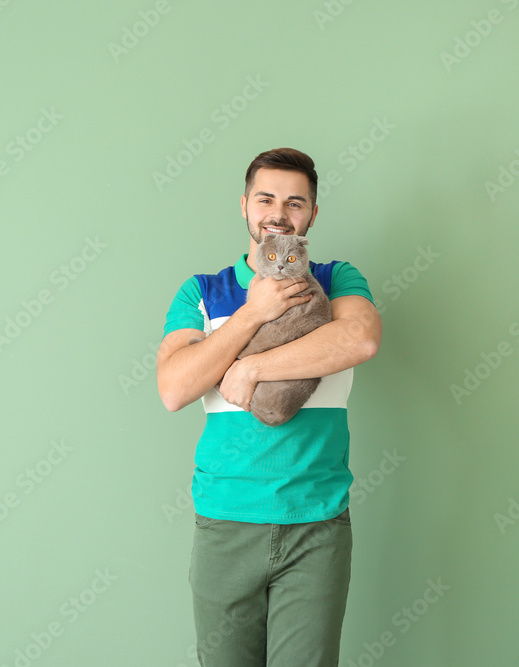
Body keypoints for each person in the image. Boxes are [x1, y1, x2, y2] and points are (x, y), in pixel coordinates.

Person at [156, 147, 382, 665]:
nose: (279, 212)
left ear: (312, 214)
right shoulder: (203, 292)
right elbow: (173, 388)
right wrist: (253, 314)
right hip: (224, 523)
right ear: (244, 206)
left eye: (295, 202)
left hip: (316, 525)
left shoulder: (336, 278)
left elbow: (361, 340)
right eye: (266, 198)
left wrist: (253, 367)